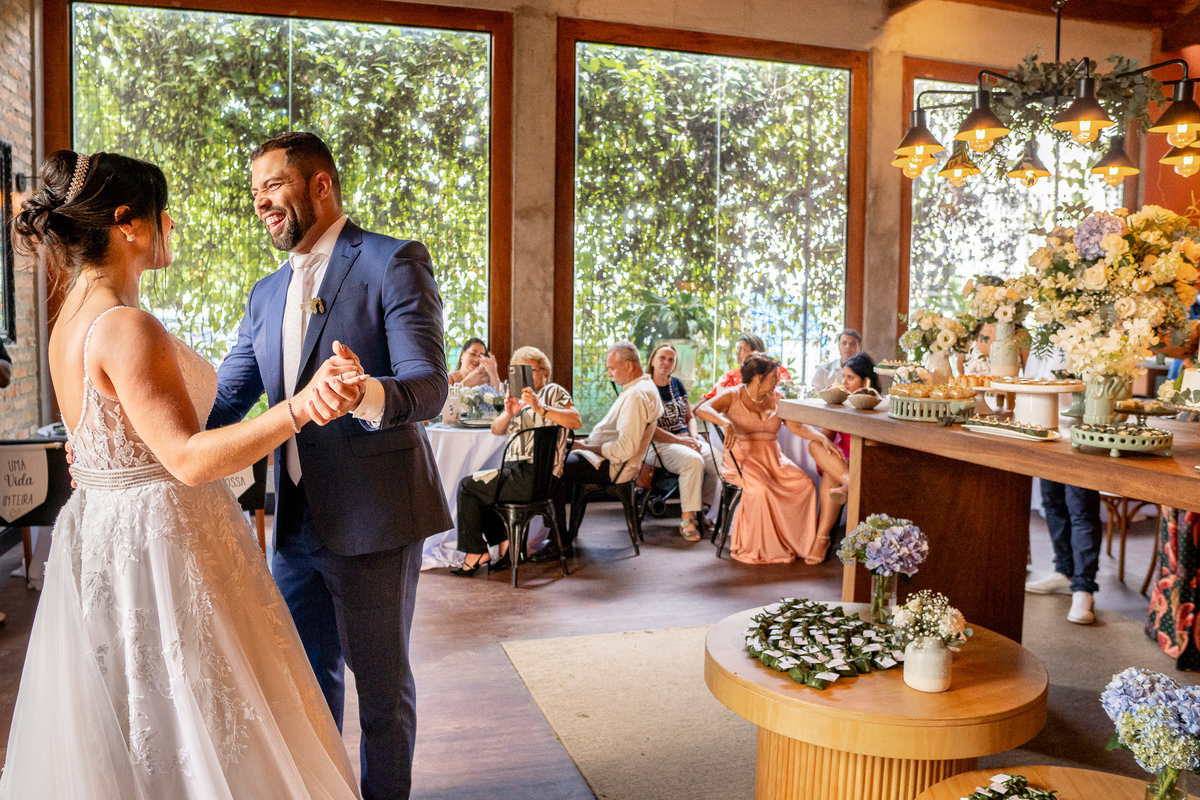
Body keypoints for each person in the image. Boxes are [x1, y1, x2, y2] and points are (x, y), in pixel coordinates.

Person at [3, 149, 365, 798]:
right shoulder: (125, 326)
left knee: (140, 717)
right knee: (198, 717)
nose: (170, 225)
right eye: (161, 214)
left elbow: (104, 440)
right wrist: (300, 407)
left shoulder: (67, 326)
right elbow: (187, 458)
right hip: (161, 549)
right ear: (128, 224)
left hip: (110, 537)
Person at [208, 132, 452, 800]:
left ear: (320, 185)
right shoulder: (263, 294)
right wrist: (136, 442)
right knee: (307, 691)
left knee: (380, 695)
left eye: (272, 186)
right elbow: (225, 400)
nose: (261, 202)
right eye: (254, 191)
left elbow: (429, 386)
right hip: (291, 529)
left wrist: (364, 391)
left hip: (374, 520)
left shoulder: (391, 261)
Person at [696, 353, 847, 565]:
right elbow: (701, 409)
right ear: (759, 378)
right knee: (760, 490)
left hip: (773, 457)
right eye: (774, 376)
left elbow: (795, 426)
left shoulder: (777, 397)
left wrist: (821, 437)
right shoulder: (733, 395)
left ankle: (798, 543)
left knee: (805, 485)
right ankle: (764, 548)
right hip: (742, 458)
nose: (777, 380)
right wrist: (725, 422)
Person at [450, 346, 582, 576]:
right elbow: (495, 429)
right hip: (513, 473)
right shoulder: (517, 397)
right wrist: (509, 413)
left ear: (544, 373)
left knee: (468, 488)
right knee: (476, 485)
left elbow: (575, 421)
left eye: (532, 371)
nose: (528, 378)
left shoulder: (552, 392)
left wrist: (541, 408)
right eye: (522, 372)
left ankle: (476, 552)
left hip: (537, 476)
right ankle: (505, 546)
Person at [531, 341, 663, 563]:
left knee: (553, 468)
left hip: (614, 466)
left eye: (612, 368)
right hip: (605, 458)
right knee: (560, 461)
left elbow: (625, 449)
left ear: (629, 366)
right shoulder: (640, 388)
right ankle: (564, 534)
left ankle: (559, 541)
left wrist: (587, 447)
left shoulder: (637, 396)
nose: (609, 374)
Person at [644, 343, 718, 542]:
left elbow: (689, 417)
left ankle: (704, 509)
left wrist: (693, 437)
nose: (666, 363)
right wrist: (681, 441)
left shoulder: (676, 384)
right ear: (652, 360)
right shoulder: (645, 388)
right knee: (693, 461)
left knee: (720, 460)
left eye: (671, 360)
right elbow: (648, 429)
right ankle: (687, 518)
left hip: (685, 439)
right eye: (662, 358)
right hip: (658, 445)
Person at [700, 333, 792, 401]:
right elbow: (710, 398)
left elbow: (790, 395)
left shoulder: (779, 372)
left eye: (742, 349)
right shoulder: (730, 376)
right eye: (738, 349)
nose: (738, 352)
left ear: (755, 353)